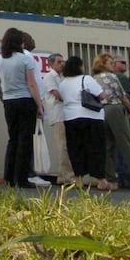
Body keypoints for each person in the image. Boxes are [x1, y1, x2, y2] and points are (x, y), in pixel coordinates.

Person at [0, 28, 44, 189]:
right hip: (25, 99)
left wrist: (3, 98)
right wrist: (39, 105)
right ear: (19, 42)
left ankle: (8, 177)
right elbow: (31, 83)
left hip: (9, 101)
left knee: (13, 139)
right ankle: (22, 178)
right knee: (26, 140)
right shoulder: (25, 59)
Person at [92, 53, 130, 190]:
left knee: (108, 146)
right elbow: (121, 95)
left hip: (101, 111)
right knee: (127, 145)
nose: (113, 64)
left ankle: (111, 179)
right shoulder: (112, 76)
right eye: (110, 62)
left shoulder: (93, 78)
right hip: (115, 108)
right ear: (103, 64)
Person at [57, 56, 111, 190]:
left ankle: (79, 179)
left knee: (75, 149)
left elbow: (62, 98)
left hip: (70, 118)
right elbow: (101, 95)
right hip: (91, 117)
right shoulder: (86, 79)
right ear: (80, 67)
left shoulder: (63, 83)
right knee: (96, 148)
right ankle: (101, 180)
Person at [42, 52, 77, 184]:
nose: (62, 64)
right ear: (51, 64)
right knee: (63, 146)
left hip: (66, 114)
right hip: (58, 115)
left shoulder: (62, 78)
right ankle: (68, 176)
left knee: (67, 145)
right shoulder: (49, 77)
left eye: (63, 62)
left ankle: (63, 176)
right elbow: (57, 94)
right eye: (59, 62)